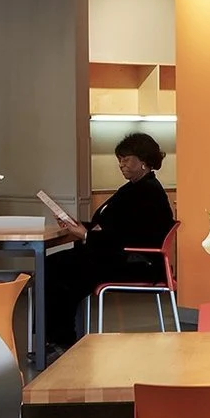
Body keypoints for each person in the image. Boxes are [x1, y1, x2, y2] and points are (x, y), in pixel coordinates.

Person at [43, 132, 177, 351]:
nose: (121, 165)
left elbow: (130, 235)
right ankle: (58, 337)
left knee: (59, 269)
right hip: (121, 256)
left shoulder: (148, 193)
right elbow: (113, 227)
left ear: (143, 161)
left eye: (126, 159)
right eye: (119, 160)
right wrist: (80, 226)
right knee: (56, 266)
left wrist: (86, 234)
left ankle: (61, 339)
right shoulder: (135, 188)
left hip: (138, 263)